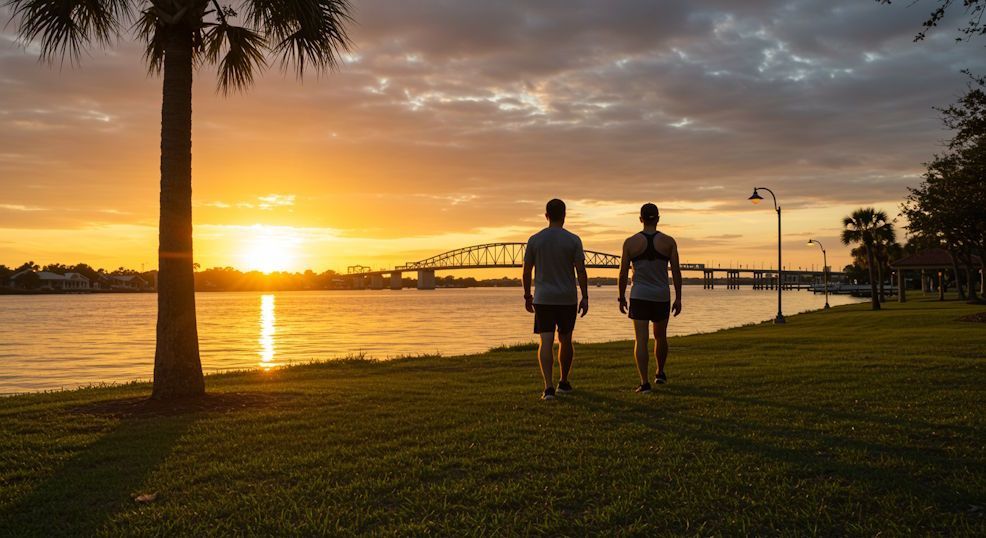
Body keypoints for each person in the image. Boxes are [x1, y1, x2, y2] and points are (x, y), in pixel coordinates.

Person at [522, 199, 589, 400]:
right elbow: (581, 271)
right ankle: (564, 382)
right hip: (567, 298)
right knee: (565, 340)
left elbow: (526, 271)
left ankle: (548, 387)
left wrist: (527, 295)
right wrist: (585, 296)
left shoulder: (535, 240)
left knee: (546, 341)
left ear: (546, 216)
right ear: (564, 215)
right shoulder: (573, 240)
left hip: (543, 298)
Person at [617, 203, 682, 394]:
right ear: (658, 219)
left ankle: (644, 383)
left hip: (639, 296)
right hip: (661, 295)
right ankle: (660, 372)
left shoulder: (630, 243)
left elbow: (622, 273)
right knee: (660, 337)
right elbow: (676, 272)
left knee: (641, 340)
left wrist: (621, 297)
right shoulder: (669, 242)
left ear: (640, 219)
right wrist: (678, 298)